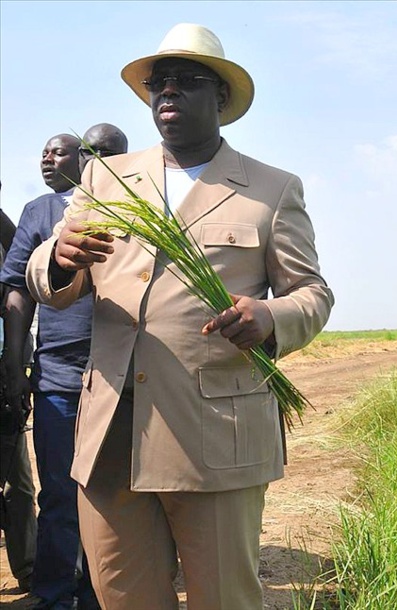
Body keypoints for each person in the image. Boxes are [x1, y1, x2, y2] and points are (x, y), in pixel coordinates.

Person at [25, 23, 334, 610]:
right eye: (157, 82)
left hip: (214, 437)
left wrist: (270, 316)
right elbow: (53, 271)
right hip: (112, 432)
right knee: (123, 595)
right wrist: (58, 258)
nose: (167, 91)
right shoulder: (107, 177)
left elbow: (312, 292)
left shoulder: (269, 189)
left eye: (186, 81)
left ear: (221, 98)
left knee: (223, 597)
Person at [1, 127, 127, 609]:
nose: (48, 160)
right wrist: (17, 366)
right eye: (44, 152)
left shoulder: (142, 211)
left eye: (61, 152)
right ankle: (54, 595)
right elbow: (17, 289)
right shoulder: (41, 213)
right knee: (57, 496)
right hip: (58, 379)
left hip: (123, 380)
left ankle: (103, 595)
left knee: (115, 498)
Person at [0, 201, 37, 595]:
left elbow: (16, 252)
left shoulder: (8, 244)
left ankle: (28, 567)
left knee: (19, 485)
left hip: (5, 379)